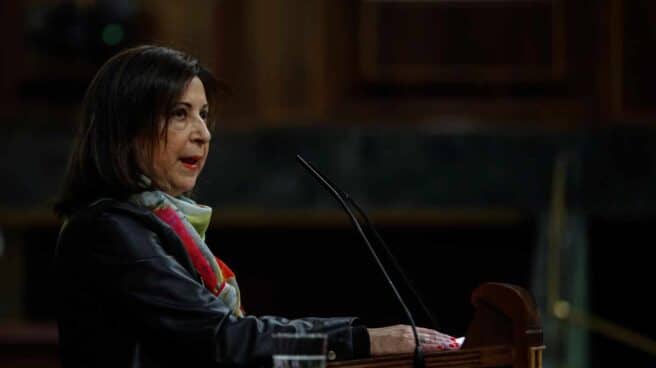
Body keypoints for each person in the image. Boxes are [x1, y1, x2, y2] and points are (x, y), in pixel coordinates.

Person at [53, 45, 459, 368]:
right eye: (180, 114)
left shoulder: (152, 223)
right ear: (126, 128)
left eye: (205, 115)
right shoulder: (109, 230)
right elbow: (223, 341)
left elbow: (235, 340)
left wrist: (355, 346)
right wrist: (362, 342)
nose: (203, 134)